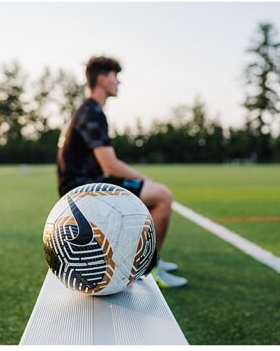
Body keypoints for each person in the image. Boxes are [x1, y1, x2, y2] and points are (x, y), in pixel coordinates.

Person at [56, 55, 188, 288]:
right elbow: (110, 165)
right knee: (162, 196)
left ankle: (144, 258)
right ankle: (148, 271)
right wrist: (144, 178)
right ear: (101, 79)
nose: (119, 82)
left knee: (151, 195)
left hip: (89, 183)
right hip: (82, 191)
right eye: (115, 77)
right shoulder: (91, 112)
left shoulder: (89, 110)